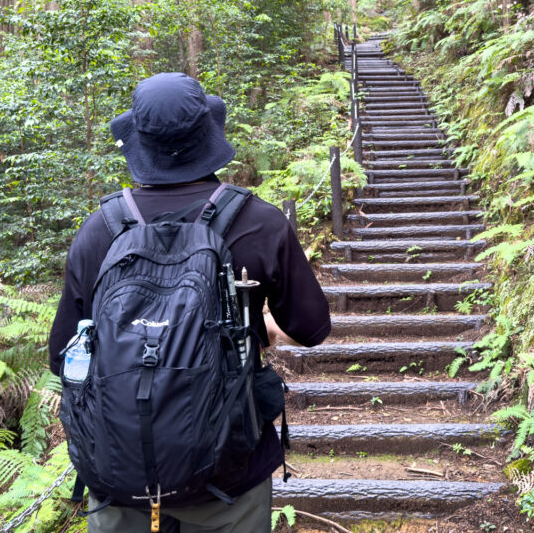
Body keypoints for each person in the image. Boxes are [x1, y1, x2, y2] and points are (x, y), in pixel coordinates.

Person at [48, 72, 331, 532]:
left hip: (119, 473)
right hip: (230, 472)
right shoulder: (260, 223)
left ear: (139, 143)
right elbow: (312, 327)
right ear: (208, 133)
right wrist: (259, 329)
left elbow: (64, 357)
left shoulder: (99, 231)